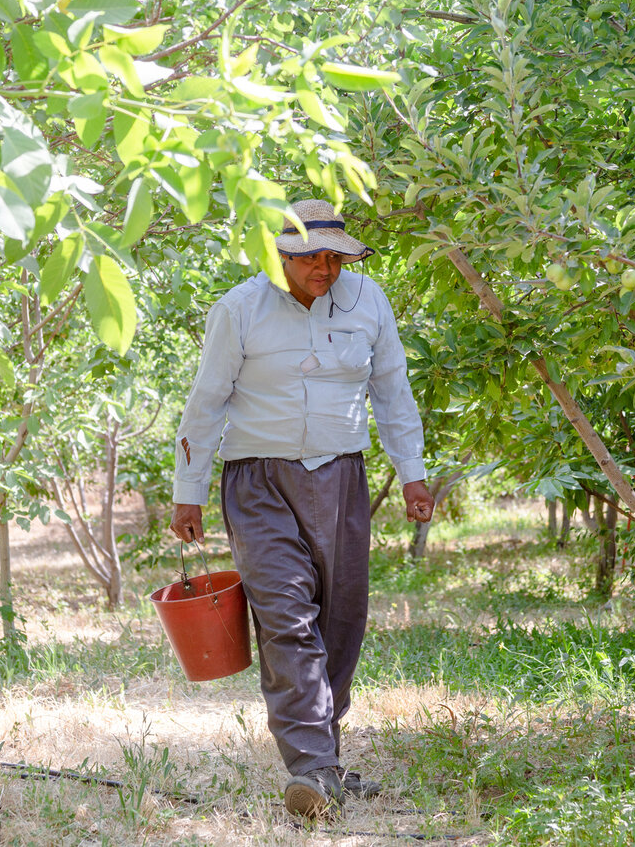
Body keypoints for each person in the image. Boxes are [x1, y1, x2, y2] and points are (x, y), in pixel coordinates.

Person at [169, 198, 435, 818]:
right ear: (280, 256)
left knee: (340, 619)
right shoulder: (239, 309)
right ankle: (311, 767)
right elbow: (206, 403)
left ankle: (327, 763)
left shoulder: (369, 302)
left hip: (341, 477)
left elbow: (393, 391)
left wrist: (413, 475)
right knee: (286, 614)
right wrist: (190, 488)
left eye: (333, 255)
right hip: (258, 482)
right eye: (309, 255)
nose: (324, 266)